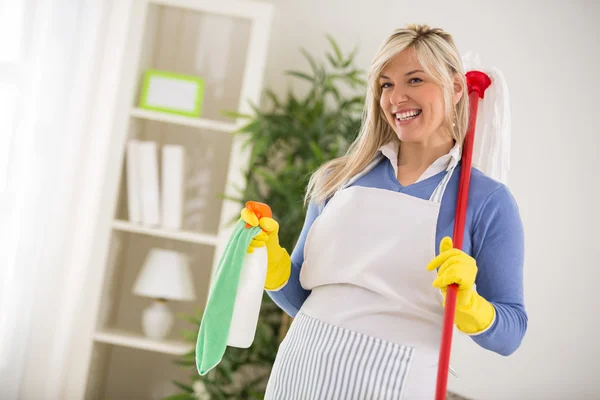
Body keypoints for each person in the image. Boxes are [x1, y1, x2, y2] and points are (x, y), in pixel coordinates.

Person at [241, 24, 527, 399]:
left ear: (456, 89)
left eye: (414, 79)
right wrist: (274, 267)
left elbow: (511, 333)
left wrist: (472, 307)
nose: (396, 97)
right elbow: (300, 297)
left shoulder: (486, 201)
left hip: (396, 381)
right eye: (386, 84)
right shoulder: (339, 178)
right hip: (301, 369)